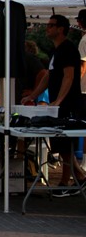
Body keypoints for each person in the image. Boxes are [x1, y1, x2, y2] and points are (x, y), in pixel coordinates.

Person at [21, 14, 86, 195]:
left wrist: (59, 99)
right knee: (61, 144)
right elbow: (48, 77)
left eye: (51, 25)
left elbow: (69, 76)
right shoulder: (56, 50)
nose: (47, 28)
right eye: (48, 24)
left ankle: (68, 180)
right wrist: (33, 95)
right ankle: (77, 177)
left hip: (68, 104)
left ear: (61, 29)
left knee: (65, 144)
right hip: (57, 104)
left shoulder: (68, 49)